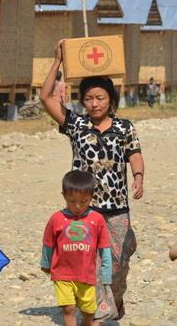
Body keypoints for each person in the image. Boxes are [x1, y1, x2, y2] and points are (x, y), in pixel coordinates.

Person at [39, 40, 145, 324]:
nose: (94, 103)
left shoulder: (124, 127)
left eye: (100, 98)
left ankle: (115, 300)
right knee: (93, 264)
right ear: (82, 101)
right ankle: (99, 312)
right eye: (88, 98)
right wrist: (58, 62)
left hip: (118, 207)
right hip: (86, 208)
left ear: (110, 99)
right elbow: (46, 97)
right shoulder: (76, 125)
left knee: (118, 266)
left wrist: (138, 176)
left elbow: (134, 154)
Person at [41, 170, 112, 326]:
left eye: (84, 201)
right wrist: (46, 264)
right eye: (72, 201)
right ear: (64, 196)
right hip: (62, 273)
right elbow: (48, 244)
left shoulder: (97, 219)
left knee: (89, 310)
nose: (78, 206)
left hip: (87, 274)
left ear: (91, 197)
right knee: (69, 308)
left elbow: (104, 248)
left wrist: (106, 273)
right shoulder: (56, 219)